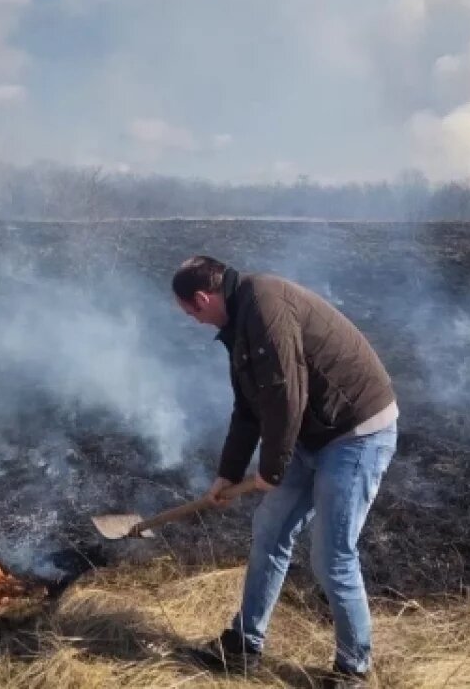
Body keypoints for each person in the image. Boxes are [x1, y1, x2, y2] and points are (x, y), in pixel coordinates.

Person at [172, 255, 399, 685]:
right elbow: (248, 407)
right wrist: (228, 472)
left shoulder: (265, 305)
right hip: (312, 432)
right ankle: (243, 644)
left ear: (203, 298)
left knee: (332, 555)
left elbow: (284, 396)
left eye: (191, 312)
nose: (194, 321)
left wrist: (272, 468)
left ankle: (354, 668)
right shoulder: (239, 320)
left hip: (357, 432)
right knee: (270, 531)